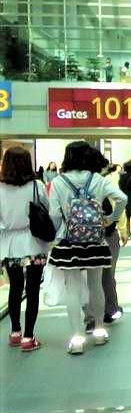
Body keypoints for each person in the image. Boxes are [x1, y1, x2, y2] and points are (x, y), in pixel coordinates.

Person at [47, 140, 126, 355]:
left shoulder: (59, 181)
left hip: (68, 241)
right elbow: (122, 198)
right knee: (96, 285)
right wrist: (111, 218)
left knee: (72, 288)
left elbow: (54, 214)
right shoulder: (97, 179)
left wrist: (59, 232)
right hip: (95, 239)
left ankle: (77, 338)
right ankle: (99, 331)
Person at [0, 145, 51, 352]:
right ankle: (28, 337)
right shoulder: (36, 185)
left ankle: (15, 332)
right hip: (33, 242)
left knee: (15, 288)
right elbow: (46, 208)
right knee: (32, 290)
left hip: (9, 244)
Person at [91, 159, 125, 325]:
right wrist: (118, 224)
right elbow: (121, 200)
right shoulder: (104, 183)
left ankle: (90, 316)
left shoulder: (65, 182)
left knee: (87, 277)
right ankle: (110, 309)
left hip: (80, 237)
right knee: (107, 274)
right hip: (107, 233)